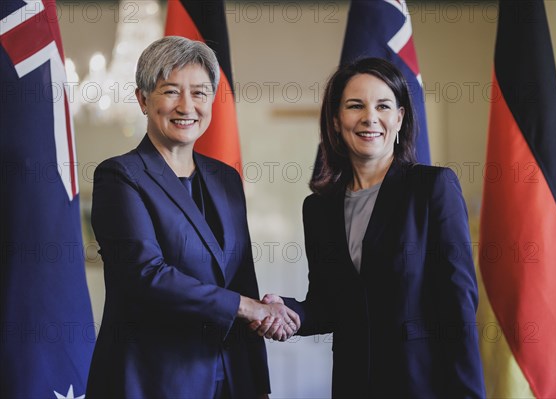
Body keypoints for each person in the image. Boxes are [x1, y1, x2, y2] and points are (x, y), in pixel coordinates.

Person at [255, 58, 486, 398]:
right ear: (336, 120)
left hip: (424, 387)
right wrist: (288, 311)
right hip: (353, 386)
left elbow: (459, 307)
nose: (369, 117)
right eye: (355, 106)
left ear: (399, 118)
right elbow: (328, 305)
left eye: (383, 105)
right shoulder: (318, 209)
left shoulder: (432, 188)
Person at [86, 36, 299, 399]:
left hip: (231, 375)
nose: (187, 106)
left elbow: (241, 275)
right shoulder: (119, 176)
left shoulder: (225, 179)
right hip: (152, 379)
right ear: (142, 99)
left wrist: (257, 379)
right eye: (171, 91)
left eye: (200, 93)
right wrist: (246, 307)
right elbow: (146, 275)